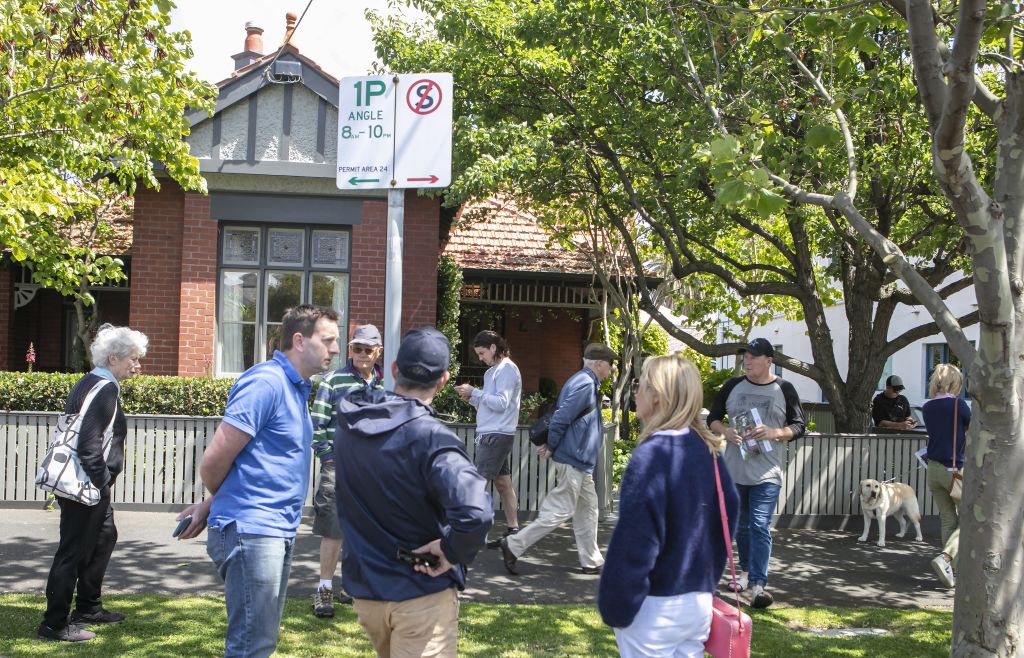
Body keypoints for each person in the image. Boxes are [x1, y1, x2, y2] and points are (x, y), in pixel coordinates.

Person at [175, 305, 340, 658]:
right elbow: (213, 461)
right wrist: (225, 501)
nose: (336, 349)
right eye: (328, 340)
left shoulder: (296, 387)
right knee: (252, 646)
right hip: (254, 532)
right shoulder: (266, 383)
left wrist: (212, 503)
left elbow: (254, 463)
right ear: (299, 340)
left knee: (260, 642)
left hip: (273, 529)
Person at [334, 327, 492, 657]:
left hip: (366, 592)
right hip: (420, 592)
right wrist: (450, 550)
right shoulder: (432, 438)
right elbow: (476, 512)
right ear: (443, 380)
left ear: (394, 369)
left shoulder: (351, 424)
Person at [599, 355, 739, 657]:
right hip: (697, 604)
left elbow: (635, 543)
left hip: (655, 609)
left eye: (640, 384)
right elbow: (729, 513)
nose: (636, 391)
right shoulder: (708, 451)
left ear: (657, 395)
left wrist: (616, 606)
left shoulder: (653, 455)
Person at [37, 325, 147, 643]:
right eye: (133, 359)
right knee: (72, 552)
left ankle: (88, 607)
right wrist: (101, 484)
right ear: (113, 358)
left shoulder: (90, 382)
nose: (137, 365)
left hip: (85, 484)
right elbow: (88, 445)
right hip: (85, 485)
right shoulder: (105, 389)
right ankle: (54, 625)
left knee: (104, 537)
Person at [499, 342, 616, 576]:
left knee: (588, 510)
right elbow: (562, 417)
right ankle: (513, 544)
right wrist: (551, 446)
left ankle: (591, 560)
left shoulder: (584, 381)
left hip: (579, 461)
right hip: (573, 459)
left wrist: (552, 445)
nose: (612, 369)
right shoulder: (585, 384)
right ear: (599, 364)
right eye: (610, 364)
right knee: (560, 511)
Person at [707, 337, 804, 609]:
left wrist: (775, 432)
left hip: (767, 472)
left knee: (759, 524)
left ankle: (758, 584)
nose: (747, 361)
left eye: (753, 356)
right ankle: (746, 572)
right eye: (746, 356)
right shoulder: (732, 386)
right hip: (735, 471)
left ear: (769, 360)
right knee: (741, 525)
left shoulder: (784, 389)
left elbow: (799, 426)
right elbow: (712, 418)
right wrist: (726, 431)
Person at [308, 324, 384, 617]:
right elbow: (316, 426)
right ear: (350, 349)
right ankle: (324, 591)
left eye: (368, 349)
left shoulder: (381, 384)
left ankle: (350, 587)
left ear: (378, 352)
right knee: (334, 529)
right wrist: (329, 459)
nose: (362, 354)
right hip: (338, 467)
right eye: (357, 348)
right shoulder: (332, 381)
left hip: (368, 470)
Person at [454, 330, 522, 549]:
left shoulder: (507, 369)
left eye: (482, 353)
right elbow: (489, 404)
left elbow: (502, 403)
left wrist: (475, 392)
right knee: (503, 483)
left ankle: (465, 533)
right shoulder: (492, 372)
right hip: (494, 432)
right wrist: (470, 398)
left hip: (496, 434)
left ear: (494, 347)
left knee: (478, 482)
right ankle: (514, 532)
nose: (480, 358)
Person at [922, 364, 970, 588]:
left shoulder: (928, 407)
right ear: (955, 382)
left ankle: (952, 571)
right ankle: (946, 558)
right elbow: (973, 429)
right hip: (954, 470)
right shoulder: (959, 405)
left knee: (948, 519)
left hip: (933, 469)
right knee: (968, 520)